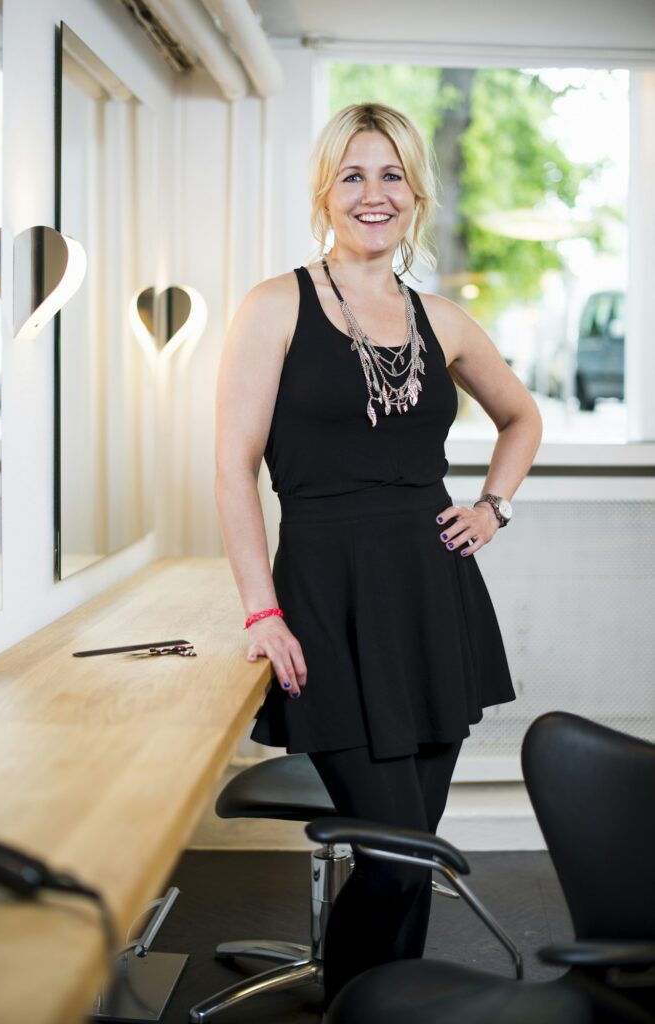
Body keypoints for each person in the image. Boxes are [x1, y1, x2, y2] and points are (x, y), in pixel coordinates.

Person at [214, 102, 543, 1010]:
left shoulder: (442, 319)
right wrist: (260, 609)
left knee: (409, 849)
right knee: (396, 858)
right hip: (327, 600)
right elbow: (233, 469)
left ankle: (378, 1000)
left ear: (415, 192)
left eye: (391, 174)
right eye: (353, 174)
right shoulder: (274, 304)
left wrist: (492, 508)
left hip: (433, 597)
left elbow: (522, 417)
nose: (373, 193)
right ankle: (358, 1003)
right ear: (325, 190)